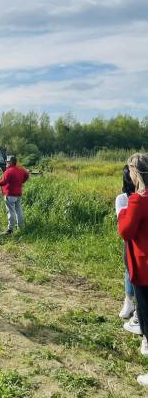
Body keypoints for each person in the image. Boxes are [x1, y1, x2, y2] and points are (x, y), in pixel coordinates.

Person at [117, 153, 148, 385]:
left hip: (144, 267)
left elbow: (125, 231)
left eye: (131, 171)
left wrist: (124, 211)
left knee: (146, 317)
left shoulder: (139, 200)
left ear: (136, 173)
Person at [118, 166, 141, 334]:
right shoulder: (123, 199)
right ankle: (129, 301)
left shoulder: (141, 198)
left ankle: (138, 312)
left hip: (139, 241)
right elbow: (124, 227)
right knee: (129, 270)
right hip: (131, 241)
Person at [0, 155, 30, 234]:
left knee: (11, 212)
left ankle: (10, 229)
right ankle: (21, 228)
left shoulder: (8, 171)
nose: (6, 163)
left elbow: (3, 182)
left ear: (11, 162)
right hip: (18, 194)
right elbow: (27, 175)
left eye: (7, 162)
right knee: (19, 211)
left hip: (10, 194)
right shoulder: (20, 170)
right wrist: (22, 181)